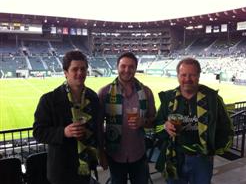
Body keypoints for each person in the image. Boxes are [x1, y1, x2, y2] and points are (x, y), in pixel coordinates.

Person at [155, 57, 234, 184]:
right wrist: (165, 126)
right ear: (178, 76)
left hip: (202, 161)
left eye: (192, 75)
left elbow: (226, 127)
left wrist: (213, 149)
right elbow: (156, 125)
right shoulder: (168, 98)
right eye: (183, 75)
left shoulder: (212, 99)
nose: (187, 79)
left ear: (198, 76)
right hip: (175, 158)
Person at [33, 50, 101, 184]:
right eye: (75, 69)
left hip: (85, 166)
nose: (80, 73)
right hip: (61, 170)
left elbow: (97, 128)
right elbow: (38, 132)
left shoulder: (93, 97)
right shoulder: (49, 100)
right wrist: (64, 132)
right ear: (65, 72)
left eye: (83, 69)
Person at [98, 52, 156, 184]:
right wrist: (101, 153)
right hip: (115, 155)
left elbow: (154, 120)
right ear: (117, 67)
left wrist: (144, 122)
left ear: (136, 68)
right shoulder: (104, 93)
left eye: (131, 67)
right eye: (123, 66)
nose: (127, 70)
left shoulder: (146, 92)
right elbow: (98, 125)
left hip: (139, 153)